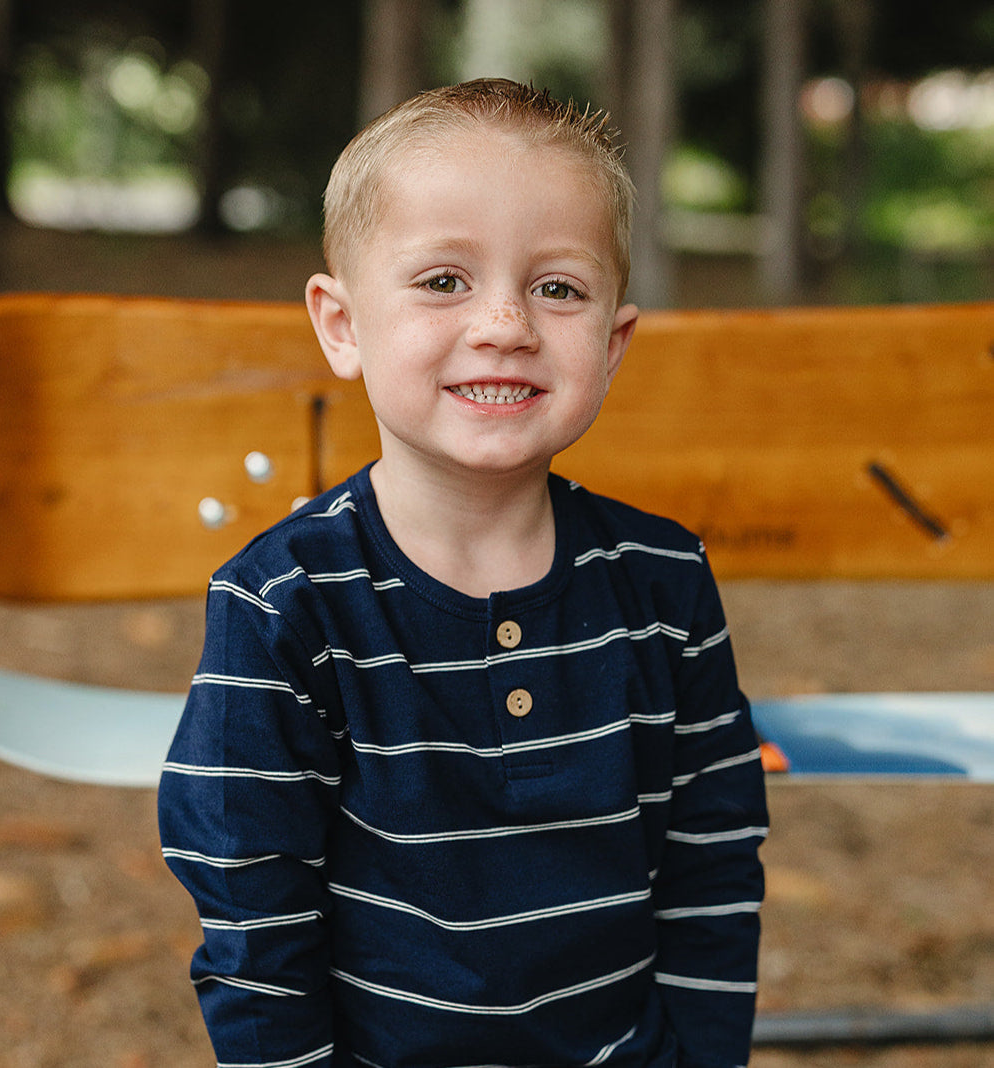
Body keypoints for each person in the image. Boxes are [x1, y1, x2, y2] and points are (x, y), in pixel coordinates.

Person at [158, 78, 767, 1068]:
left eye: (557, 288)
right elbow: (250, 904)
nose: (505, 324)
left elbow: (711, 861)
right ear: (342, 324)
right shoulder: (283, 603)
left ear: (612, 343)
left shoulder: (662, 581)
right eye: (443, 280)